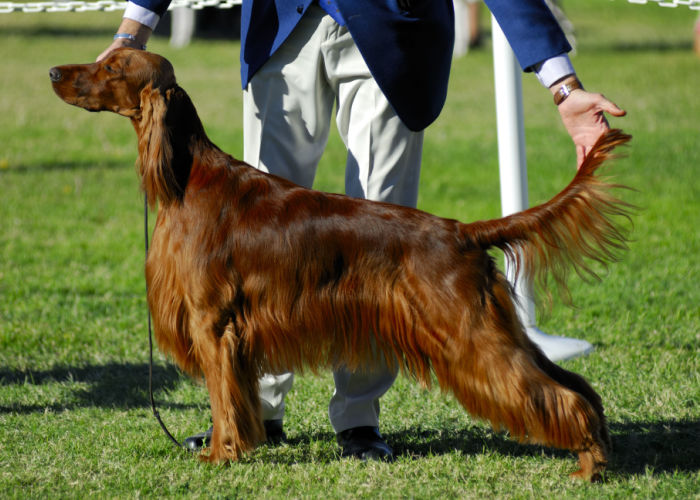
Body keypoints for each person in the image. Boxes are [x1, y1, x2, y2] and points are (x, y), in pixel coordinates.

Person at [98, 0, 625, 461]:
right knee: (257, 246)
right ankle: (248, 416)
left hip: (391, 29)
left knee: (386, 236)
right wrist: (132, 29)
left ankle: (359, 419)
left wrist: (562, 84)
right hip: (282, 28)